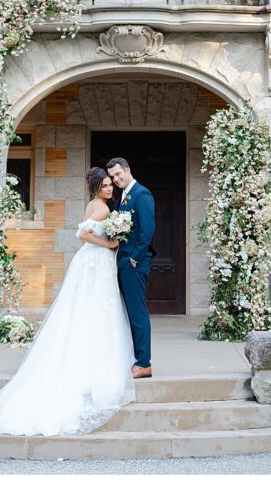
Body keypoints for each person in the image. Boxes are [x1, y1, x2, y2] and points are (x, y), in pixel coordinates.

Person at [0, 168, 136, 436]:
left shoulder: (95, 205)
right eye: (105, 185)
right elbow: (83, 235)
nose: (110, 189)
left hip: (91, 261)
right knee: (97, 309)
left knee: (90, 309)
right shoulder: (102, 209)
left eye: (110, 185)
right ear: (96, 187)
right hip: (96, 259)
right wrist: (109, 245)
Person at [106, 157, 156, 379]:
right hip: (123, 262)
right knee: (127, 313)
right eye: (113, 177)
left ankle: (144, 363)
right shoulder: (123, 198)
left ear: (128, 169)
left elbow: (147, 230)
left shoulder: (142, 194)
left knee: (138, 314)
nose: (116, 179)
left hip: (134, 264)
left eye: (118, 174)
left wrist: (134, 259)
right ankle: (134, 357)